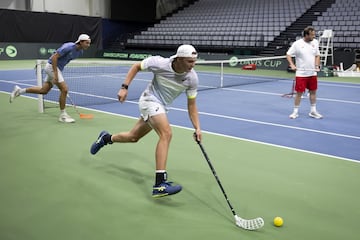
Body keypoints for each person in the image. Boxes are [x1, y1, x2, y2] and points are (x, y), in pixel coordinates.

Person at [90, 44, 202, 198]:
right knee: (166, 134)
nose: (193, 64)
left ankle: (106, 138)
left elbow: (192, 106)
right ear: (180, 59)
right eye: (190, 61)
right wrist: (124, 87)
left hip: (161, 106)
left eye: (194, 61)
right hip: (149, 100)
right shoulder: (160, 63)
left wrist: (197, 128)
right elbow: (136, 66)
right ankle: (159, 184)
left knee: (133, 137)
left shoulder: (192, 78)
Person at [9, 34, 91, 123]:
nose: (88, 45)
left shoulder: (80, 52)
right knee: (64, 89)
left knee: (44, 90)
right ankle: (63, 116)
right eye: (87, 43)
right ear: (81, 42)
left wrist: (58, 73)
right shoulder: (68, 47)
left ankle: (19, 91)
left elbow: (64, 60)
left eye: (89, 43)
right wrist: (55, 74)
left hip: (57, 69)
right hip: (51, 67)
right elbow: (54, 57)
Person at [286, 26, 323, 119]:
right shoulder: (297, 44)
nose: (314, 36)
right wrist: (292, 65)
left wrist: (317, 66)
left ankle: (313, 111)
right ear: (306, 35)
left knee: (313, 92)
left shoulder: (315, 42)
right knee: (299, 93)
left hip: (312, 73)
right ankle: (295, 112)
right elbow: (288, 54)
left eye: (314, 35)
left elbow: (317, 55)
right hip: (301, 74)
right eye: (312, 35)